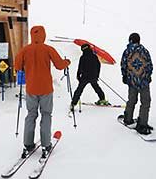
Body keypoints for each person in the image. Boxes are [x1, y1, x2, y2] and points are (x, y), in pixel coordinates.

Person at [14, 25, 71, 158]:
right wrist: (67, 62)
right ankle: (46, 144)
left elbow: (17, 66)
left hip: (31, 89)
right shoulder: (48, 49)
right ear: (43, 35)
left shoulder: (25, 50)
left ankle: (28, 144)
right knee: (46, 114)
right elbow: (59, 65)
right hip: (46, 89)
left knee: (31, 115)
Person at [120, 32, 154, 135]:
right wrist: (148, 76)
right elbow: (149, 65)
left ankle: (128, 118)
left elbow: (123, 64)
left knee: (132, 100)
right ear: (139, 40)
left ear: (130, 40)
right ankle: (142, 124)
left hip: (132, 81)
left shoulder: (127, 51)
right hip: (144, 81)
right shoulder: (144, 51)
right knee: (145, 102)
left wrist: (124, 76)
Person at [70, 43, 110, 111]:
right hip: (93, 77)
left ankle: (73, 103)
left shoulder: (83, 57)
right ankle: (102, 99)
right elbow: (98, 66)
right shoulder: (94, 56)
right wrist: (97, 75)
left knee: (79, 90)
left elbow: (80, 67)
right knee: (97, 88)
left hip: (84, 77)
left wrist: (78, 75)